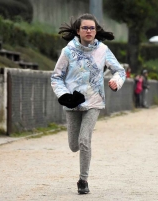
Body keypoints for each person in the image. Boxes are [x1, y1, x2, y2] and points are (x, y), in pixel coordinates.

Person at [50, 13, 126, 194]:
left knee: (84, 140)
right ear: (78, 30)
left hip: (94, 101)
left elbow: (120, 71)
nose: (89, 31)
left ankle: (83, 180)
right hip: (73, 102)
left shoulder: (103, 50)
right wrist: (65, 96)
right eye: (85, 27)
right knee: (74, 145)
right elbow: (56, 77)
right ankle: (81, 167)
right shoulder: (68, 51)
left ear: (96, 30)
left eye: (92, 28)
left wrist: (116, 81)